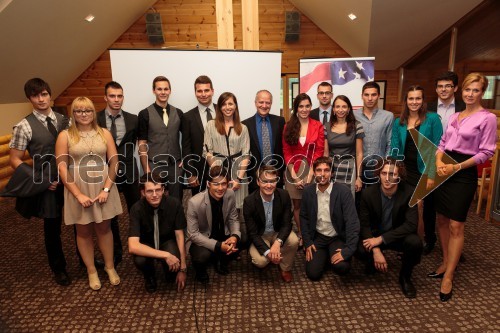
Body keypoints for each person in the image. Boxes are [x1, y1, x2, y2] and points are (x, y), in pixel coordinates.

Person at [432, 73, 496, 302]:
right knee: (441, 219)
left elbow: (486, 152)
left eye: (475, 90)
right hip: (445, 167)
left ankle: (449, 275)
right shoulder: (455, 116)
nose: (470, 94)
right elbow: (442, 143)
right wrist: (439, 161)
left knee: (456, 224)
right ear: (462, 91)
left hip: (464, 172)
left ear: (482, 93)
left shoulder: (487, 118)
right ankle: (446, 260)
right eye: (468, 90)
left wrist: (456, 167)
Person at [5, 78, 71, 286]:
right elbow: (14, 159)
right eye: (36, 96)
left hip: (70, 180)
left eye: (44, 94)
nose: (41, 99)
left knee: (80, 222)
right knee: (52, 227)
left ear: (50, 95)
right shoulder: (24, 126)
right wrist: (40, 180)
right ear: (29, 99)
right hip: (47, 183)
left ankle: (86, 261)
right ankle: (58, 268)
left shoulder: (65, 120)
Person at [56, 97, 122, 290]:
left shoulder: (104, 133)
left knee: (104, 228)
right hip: (78, 188)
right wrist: (78, 195)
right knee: (83, 231)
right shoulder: (65, 136)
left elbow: (114, 162)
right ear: (73, 114)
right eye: (78, 111)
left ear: (94, 113)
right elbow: (61, 167)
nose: (83, 114)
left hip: (103, 186)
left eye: (87, 110)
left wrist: (106, 189)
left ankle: (109, 267)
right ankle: (91, 270)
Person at [358, 158, 422, 299]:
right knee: (360, 249)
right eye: (383, 173)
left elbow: (411, 225)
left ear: (399, 176)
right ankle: (372, 262)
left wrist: (381, 240)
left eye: (392, 174)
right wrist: (375, 250)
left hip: (396, 236)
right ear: (378, 175)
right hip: (375, 235)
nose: (387, 178)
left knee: (415, 243)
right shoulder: (368, 194)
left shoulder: (409, 193)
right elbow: (365, 225)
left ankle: (405, 277)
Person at [390, 85, 442, 252]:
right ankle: (410, 241)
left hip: (426, 169)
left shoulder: (432, 119)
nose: (414, 102)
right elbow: (395, 148)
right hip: (406, 170)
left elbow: (438, 148)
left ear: (423, 100)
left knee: (426, 207)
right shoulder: (399, 122)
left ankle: (428, 239)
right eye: (410, 98)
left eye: (417, 98)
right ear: (406, 101)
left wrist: (432, 174)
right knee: (409, 205)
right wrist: (396, 170)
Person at [97, 81, 140, 266]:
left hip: (130, 170)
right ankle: (116, 251)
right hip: (106, 172)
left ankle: (139, 245)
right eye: (112, 96)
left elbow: (141, 143)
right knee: (110, 214)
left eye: (119, 96)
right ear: (105, 97)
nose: (116, 99)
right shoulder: (96, 119)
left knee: (136, 210)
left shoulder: (133, 119)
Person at [424, 71, 465, 255]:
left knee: (454, 206)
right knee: (430, 202)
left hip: (458, 160)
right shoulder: (428, 107)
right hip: (433, 158)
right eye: (440, 86)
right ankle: (430, 240)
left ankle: (453, 246)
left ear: (455, 88)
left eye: (448, 86)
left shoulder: (465, 107)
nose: (443, 89)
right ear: (436, 89)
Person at [300, 156, 359, 281]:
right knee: (313, 274)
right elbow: (304, 218)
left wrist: (348, 250)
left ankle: (330, 255)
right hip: (319, 237)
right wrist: (307, 241)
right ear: (314, 172)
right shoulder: (308, 192)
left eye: (326, 170)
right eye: (319, 170)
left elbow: (352, 222)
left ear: (332, 173)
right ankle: (325, 256)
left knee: (341, 267)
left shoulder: (343, 192)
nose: (322, 174)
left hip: (337, 236)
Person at [128, 172, 187, 293]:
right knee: (140, 260)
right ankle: (149, 276)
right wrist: (165, 255)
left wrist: (182, 268)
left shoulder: (174, 204)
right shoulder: (136, 209)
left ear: (163, 189)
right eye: (150, 191)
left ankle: (169, 270)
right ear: (143, 192)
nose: (155, 195)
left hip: (167, 241)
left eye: (158, 190)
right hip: (147, 243)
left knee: (172, 271)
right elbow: (133, 246)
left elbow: (180, 236)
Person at [282, 93, 325, 248]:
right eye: (301, 106)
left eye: (307, 106)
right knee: (298, 206)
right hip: (293, 169)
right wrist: (294, 177)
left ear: (310, 107)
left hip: (312, 170)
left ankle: (312, 233)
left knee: (313, 205)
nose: (304, 109)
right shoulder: (288, 126)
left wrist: (310, 176)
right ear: (296, 108)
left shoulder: (318, 126)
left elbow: (318, 152)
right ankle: (301, 233)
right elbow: (286, 152)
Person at [243, 165, 299, 282]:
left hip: (277, 232)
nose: (269, 185)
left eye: (272, 181)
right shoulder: (249, 201)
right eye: (265, 181)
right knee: (261, 261)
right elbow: (252, 233)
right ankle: (272, 256)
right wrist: (268, 252)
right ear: (258, 182)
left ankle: (285, 268)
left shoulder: (284, 195)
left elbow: (286, 224)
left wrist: (278, 243)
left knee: (294, 241)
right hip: (260, 235)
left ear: (277, 181)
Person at [186, 166, 240, 283]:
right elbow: (193, 234)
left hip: (222, 233)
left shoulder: (230, 194)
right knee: (201, 257)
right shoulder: (194, 202)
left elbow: (233, 219)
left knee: (243, 237)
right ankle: (201, 270)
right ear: (208, 184)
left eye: (224, 184)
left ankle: (222, 258)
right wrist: (218, 246)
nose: (220, 188)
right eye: (216, 184)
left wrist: (234, 236)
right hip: (203, 237)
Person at [138, 76, 184, 200]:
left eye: (166, 89)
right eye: (159, 89)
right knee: (155, 198)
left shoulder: (178, 113)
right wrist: (147, 170)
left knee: (177, 199)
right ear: (154, 91)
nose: (163, 92)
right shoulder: (144, 114)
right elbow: (142, 143)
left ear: (170, 91)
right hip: (154, 164)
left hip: (175, 165)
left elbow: (187, 138)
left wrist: (185, 158)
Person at [203, 92, 250, 210]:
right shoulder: (210, 125)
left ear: (235, 106)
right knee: (218, 206)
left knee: (238, 206)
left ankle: (237, 229)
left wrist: (238, 179)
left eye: (230, 104)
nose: (227, 107)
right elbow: (207, 151)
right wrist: (218, 175)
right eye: (224, 104)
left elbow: (246, 155)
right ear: (219, 107)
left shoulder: (243, 128)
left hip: (239, 173)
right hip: (218, 171)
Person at [242, 90, 285, 193]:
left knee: (277, 206)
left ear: (271, 103)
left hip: (276, 176)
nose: (264, 105)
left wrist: (282, 171)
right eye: (261, 102)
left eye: (268, 102)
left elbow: (283, 148)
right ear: (255, 102)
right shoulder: (245, 125)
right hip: (255, 177)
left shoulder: (280, 121)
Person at [182, 75, 216, 195]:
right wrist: (190, 173)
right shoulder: (187, 117)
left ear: (212, 91)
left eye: (206, 90)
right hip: (198, 171)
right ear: (195, 93)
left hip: (222, 168)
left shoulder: (223, 112)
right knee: (200, 208)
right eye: (199, 91)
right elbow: (186, 148)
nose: (203, 94)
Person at [354, 82, 393, 185]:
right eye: (366, 95)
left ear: (379, 96)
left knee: (377, 199)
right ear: (362, 96)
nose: (370, 98)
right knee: (358, 199)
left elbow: (390, 143)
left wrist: (386, 164)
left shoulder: (388, 116)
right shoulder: (353, 116)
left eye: (373, 95)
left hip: (379, 167)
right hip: (358, 167)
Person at [324, 95, 364, 197]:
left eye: (344, 106)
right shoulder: (326, 126)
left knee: (348, 199)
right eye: (337, 106)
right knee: (332, 198)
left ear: (349, 109)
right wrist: (325, 172)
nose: (340, 110)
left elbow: (359, 154)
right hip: (332, 168)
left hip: (350, 168)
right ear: (333, 109)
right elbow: (326, 153)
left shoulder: (357, 125)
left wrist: (359, 177)